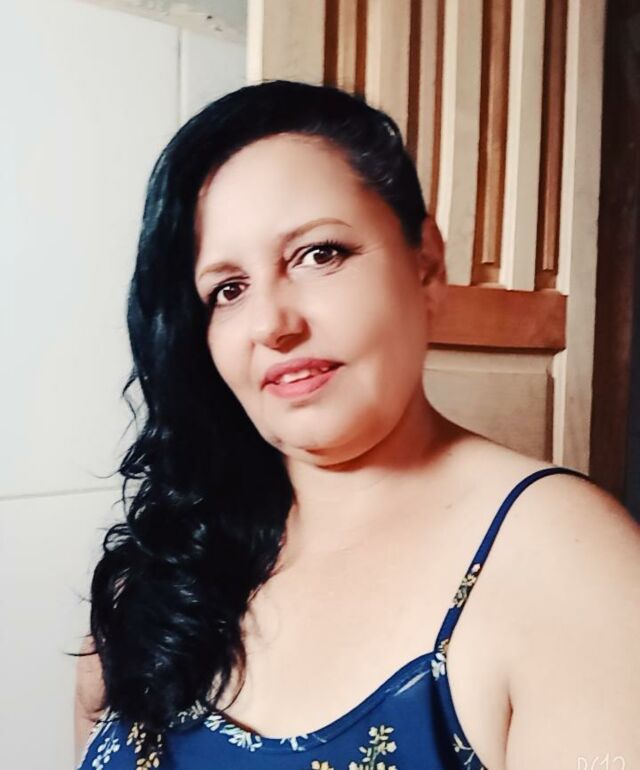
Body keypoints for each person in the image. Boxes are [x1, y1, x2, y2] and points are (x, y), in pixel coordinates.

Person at [74, 79, 640, 770]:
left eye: (319, 255)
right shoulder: (159, 565)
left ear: (425, 266)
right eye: (228, 289)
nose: (273, 324)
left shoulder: (570, 564)